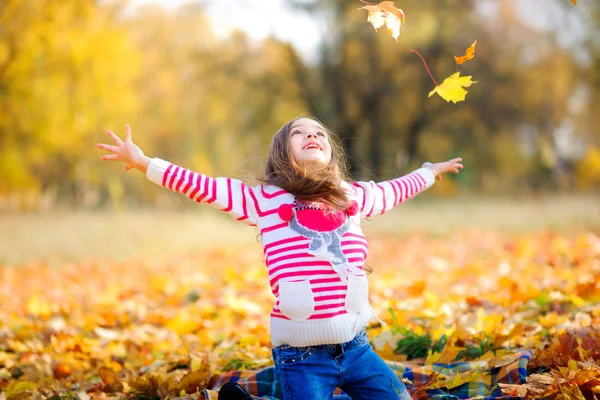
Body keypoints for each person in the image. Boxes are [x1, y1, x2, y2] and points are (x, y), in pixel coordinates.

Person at [97, 117, 463, 400]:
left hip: (356, 348)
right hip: (300, 356)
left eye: (318, 132)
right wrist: (145, 162)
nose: (312, 136)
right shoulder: (265, 200)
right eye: (299, 133)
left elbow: (395, 190)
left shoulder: (351, 196)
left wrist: (429, 171)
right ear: (281, 153)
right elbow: (203, 186)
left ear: (331, 151)